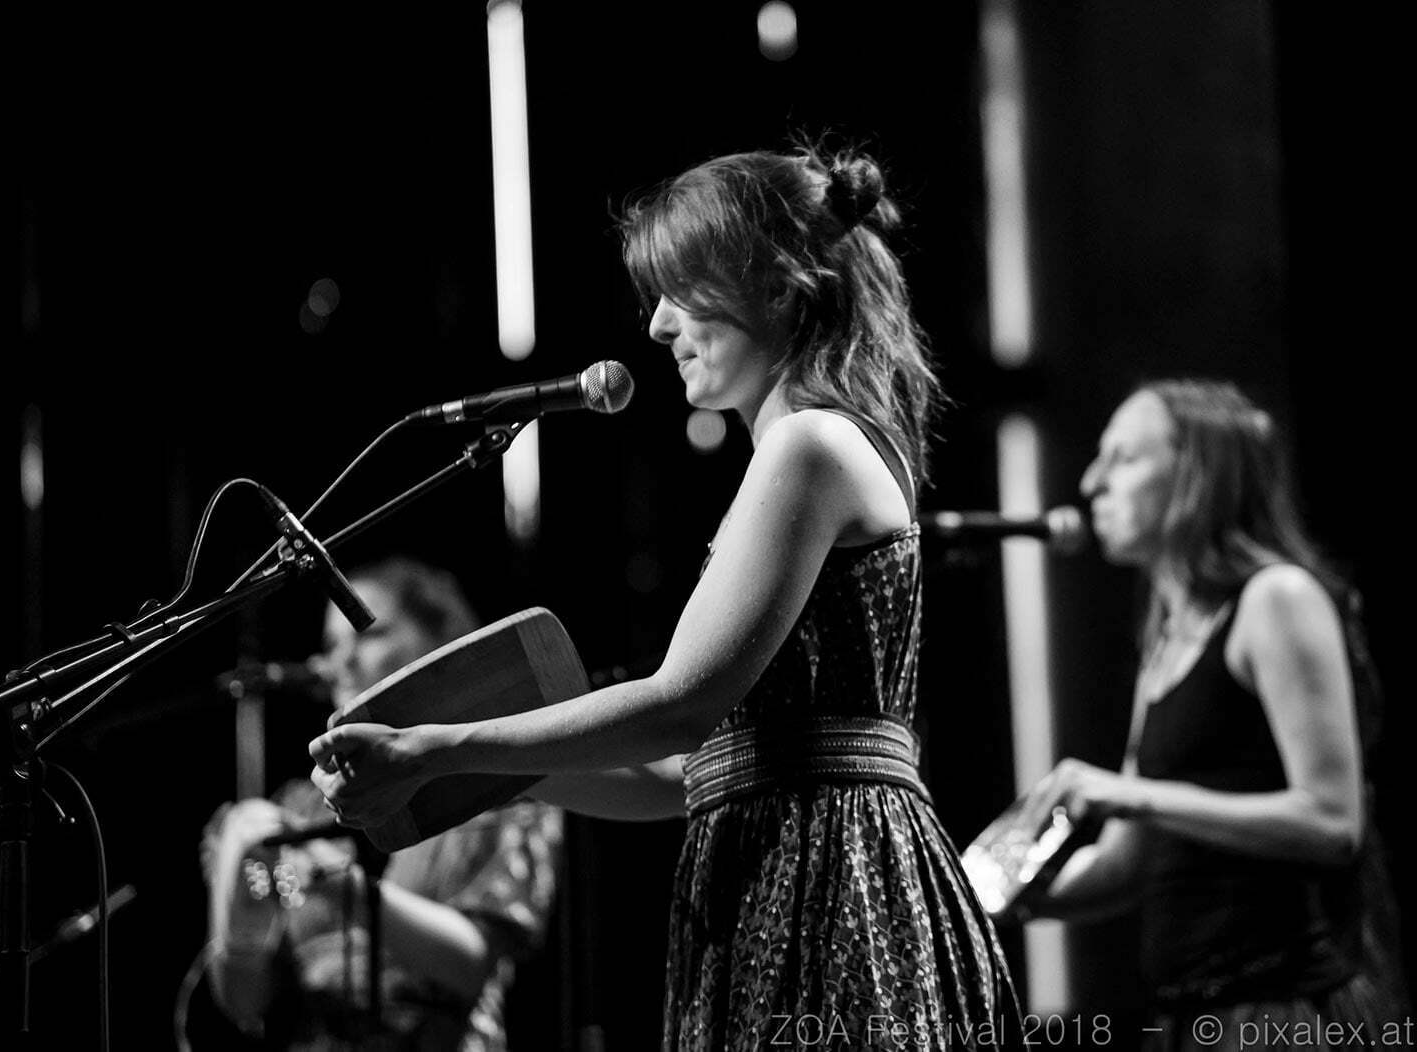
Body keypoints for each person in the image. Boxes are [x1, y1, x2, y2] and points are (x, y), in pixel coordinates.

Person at [309, 146, 1025, 1049]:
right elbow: (683, 774)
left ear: (776, 285)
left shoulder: (807, 446)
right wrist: (454, 770)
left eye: (680, 291)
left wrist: (434, 747)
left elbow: (679, 705)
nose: (655, 325)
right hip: (795, 863)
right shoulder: (808, 451)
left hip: (826, 880)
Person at [1017, 380, 1410, 1048]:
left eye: (1123, 459)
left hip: (1282, 1012)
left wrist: (1131, 795)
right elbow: (1125, 863)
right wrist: (997, 894)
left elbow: (1332, 822)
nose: (1091, 483)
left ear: (1198, 474)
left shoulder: (1276, 599)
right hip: (1189, 1015)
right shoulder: (1167, 637)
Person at [200, 556, 563, 1051]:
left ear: (438, 644)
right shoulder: (299, 809)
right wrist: (232, 890)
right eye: (331, 645)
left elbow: (471, 963)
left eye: (369, 634)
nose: (342, 661)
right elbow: (244, 1003)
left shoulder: (498, 785)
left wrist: (342, 885)